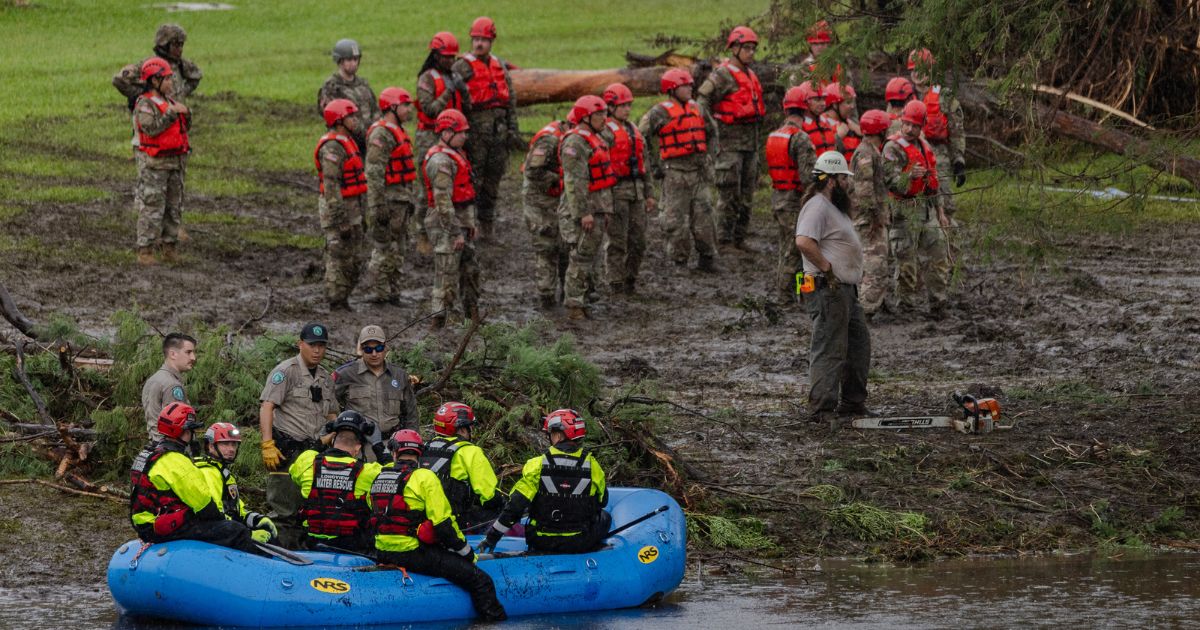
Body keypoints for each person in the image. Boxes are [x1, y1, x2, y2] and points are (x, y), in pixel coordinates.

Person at [369, 429, 507, 622]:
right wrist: (467, 553)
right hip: (413, 554)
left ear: (394, 453)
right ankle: (495, 624)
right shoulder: (424, 477)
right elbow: (443, 524)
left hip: (381, 552)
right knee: (481, 581)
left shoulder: (377, 476)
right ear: (419, 454)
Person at [793, 153, 872, 423]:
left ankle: (852, 403)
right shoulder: (817, 206)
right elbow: (804, 241)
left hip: (845, 291)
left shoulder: (833, 207)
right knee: (830, 348)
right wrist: (827, 268)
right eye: (843, 179)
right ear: (830, 181)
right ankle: (822, 410)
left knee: (858, 346)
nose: (847, 184)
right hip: (828, 289)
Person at [129, 403, 258, 553]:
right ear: (184, 431)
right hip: (160, 527)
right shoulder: (175, 460)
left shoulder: (149, 454)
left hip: (144, 524)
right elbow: (204, 506)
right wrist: (224, 523)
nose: (193, 434)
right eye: (191, 430)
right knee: (236, 531)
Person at [477, 409, 610, 555]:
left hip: (542, 541)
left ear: (558, 435)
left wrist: (492, 538)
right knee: (605, 516)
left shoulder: (536, 465)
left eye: (551, 434)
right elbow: (602, 501)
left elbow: (515, 506)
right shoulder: (593, 466)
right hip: (578, 541)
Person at [259, 322, 338, 547]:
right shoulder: (285, 371)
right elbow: (267, 406)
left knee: (312, 512)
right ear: (300, 344)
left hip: (315, 452)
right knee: (284, 511)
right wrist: (267, 444)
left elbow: (332, 413)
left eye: (322, 346)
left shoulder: (324, 377)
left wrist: (335, 440)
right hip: (288, 453)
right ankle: (277, 558)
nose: (317, 351)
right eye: (312, 345)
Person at [639, 68, 720, 272]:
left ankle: (707, 259)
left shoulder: (698, 109)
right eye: (685, 86)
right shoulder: (659, 113)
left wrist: (709, 157)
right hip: (674, 172)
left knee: (705, 217)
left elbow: (712, 132)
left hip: (698, 172)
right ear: (672, 89)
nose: (689, 89)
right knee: (675, 221)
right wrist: (654, 165)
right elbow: (641, 137)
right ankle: (679, 262)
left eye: (690, 85)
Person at [697, 26, 765, 249]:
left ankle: (740, 238)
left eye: (754, 49)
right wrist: (711, 127)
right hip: (728, 145)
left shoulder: (750, 74)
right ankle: (724, 241)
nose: (751, 53)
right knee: (729, 194)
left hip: (750, 144)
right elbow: (702, 100)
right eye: (747, 48)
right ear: (734, 48)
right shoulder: (722, 75)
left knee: (747, 195)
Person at [451, 17, 519, 239]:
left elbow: (510, 100)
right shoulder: (461, 67)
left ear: (492, 41)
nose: (479, 44)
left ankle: (487, 227)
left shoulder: (499, 65)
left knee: (493, 180)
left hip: (498, 133)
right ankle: (469, 227)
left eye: (484, 40)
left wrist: (512, 129)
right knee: (473, 180)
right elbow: (453, 99)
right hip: (474, 134)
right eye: (476, 39)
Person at [883, 100, 950, 319]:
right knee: (906, 263)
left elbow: (933, 181)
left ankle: (939, 303)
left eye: (915, 126)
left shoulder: (924, 145)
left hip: (926, 208)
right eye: (907, 125)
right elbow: (889, 181)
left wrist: (940, 211)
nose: (910, 129)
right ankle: (906, 307)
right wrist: (908, 176)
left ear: (922, 126)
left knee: (938, 256)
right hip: (903, 210)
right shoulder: (892, 147)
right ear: (902, 122)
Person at [559, 95, 617, 321]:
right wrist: (583, 213)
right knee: (580, 256)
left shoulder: (595, 138)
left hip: (598, 207)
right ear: (585, 117)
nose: (604, 118)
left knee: (590, 256)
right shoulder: (575, 143)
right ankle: (574, 304)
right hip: (583, 211)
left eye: (605, 113)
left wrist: (605, 210)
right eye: (599, 114)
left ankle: (581, 300)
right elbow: (575, 182)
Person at [422, 109, 481, 329]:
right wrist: (455, 231)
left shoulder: (456, 154)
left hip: (461, 220)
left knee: (470, 270)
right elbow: (443, 202)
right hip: (446, 224)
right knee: (446, 274)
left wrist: (469, 224)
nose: (465, 136)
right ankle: (438, 323)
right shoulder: (440, 161)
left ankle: (472, 316)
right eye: (460, 132)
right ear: (446, 133)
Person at [290, 411, 380, 552]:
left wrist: (320, 440)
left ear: (332, 441)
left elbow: (300, 464)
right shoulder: (367, 472)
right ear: (357, 448)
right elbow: (393, 477)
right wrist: (378, 445)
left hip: (311, 542)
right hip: (350, 546)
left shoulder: (308, 463)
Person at [131, 57, 191, 266]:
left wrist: (186, 114)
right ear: (154, 80)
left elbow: (184, 127)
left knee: (173, 207)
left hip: (175, 163)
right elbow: (151, 128)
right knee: (152, 206)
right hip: (155, 165)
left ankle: (169, 247)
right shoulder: (145, 104)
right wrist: (171, 115)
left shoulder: (171, 102)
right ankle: (145, 250)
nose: (170, 82)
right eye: (166, 79)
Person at [363, 87, 418, 305]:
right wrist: (377, 205)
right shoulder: (382, 134)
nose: (408, 110)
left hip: (401, 200)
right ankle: (380, 292)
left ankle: (393, 292)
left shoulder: (397, 131)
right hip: (388, 200)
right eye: (405, 106)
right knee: (384, 247)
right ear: (392, 108)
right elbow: (374, 172)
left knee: (399, 248)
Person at [599, 83, 655, 295]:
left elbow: (645, 164)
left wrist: (649, 194)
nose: (627, 110)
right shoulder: (604, 132)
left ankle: (631, 278)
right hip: (615, 192)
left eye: (629, 105)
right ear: (611, 107)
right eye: (622, 106)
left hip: (637, 191)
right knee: (617, 241)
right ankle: (615, 282)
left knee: (638, 240)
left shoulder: (634, 130)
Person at [333, 324, 419, 461]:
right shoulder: (346, 374)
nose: (374, 354)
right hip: (360, 448)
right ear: (361, 350)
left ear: (385, 348)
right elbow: (329, 406)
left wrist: (412, 445)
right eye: (368, 349)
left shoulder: (399, 375)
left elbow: (410, 413)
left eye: (378, 348)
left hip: (392, 447)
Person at [414, 32, 466, 256]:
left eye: (452, 57)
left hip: (452, 139)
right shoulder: (426, 79)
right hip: (429, 137)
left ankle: (450, 230)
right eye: (445, 57)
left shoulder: (454, 76)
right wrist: (448, 92)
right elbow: (430, 110)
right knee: (426, 190)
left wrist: (463, 90)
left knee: (451, 185)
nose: (450, 61)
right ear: (435, 56)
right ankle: (422, 235)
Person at [764, 87, 817, 301]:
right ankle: (792, 294)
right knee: (799, 251)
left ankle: (795, 293)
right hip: (795, 201)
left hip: (779, 198)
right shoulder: (801, 138)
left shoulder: (774, 135)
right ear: (805, 109)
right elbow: (808, 177)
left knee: (786, 247)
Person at [315, 99, 368, 311]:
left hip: (353, 207)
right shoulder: (332, 148)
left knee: (354, 255)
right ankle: (336, 300)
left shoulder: (348, 142)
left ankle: (344, 296)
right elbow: (331, 188)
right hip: (339, 210)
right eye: (351, 117)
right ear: (339, 121)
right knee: (338, 253)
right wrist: (341, 220)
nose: (355, 120)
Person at [419, 402, 504, 531]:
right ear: (463, 429)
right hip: (456, 521)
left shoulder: (424, 448)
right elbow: (488, 496)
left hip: (423, 519)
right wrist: (505, 503)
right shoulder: (470, 451)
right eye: (470, 427)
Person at [192, 422, 278, 543]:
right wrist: (248, 533)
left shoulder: (222, 471)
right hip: (216, 535)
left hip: (228, 530)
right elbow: (215, 515)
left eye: (234, 444)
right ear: (211, 446)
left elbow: (236, 509)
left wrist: (256, 519)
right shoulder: (208, 473)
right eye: (225, 444)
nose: (231, 449)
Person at [521, 112, 572, 308]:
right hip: (539, 200)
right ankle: (546, 295)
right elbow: (533, 172)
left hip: (557, 198)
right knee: (546, 246)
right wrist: (561, 178)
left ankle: (566, 292)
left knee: (566, 244)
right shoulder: (549, 140)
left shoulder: (571, 138)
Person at [908, 49, 967, 221]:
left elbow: (956, 130)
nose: (917, 73)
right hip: (910, 156)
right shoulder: (903, 94)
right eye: (913, 70)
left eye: (921, 69)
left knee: (945, 206)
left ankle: (949, 244)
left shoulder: (944, 96)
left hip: (938, 156)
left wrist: (959, 160)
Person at [849, 110, 897, 319]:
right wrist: (875, 217)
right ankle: (865, 310)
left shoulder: (869, 151)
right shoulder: (866, 154)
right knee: (874, 266)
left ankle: (876, 304)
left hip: (872, 219)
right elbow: (865, 191)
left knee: (879, 262)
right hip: (869, 221)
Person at [317, 38, 379, 151]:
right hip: (345, 145)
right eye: (349, 60)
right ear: (340, 61)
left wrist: (374, 133)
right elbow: (333, 117)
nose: (354, 63)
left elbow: (375, 110)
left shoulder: (363, 84)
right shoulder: (331, 87)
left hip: (368, 144)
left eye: (356, 59)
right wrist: (363, 134)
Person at [141, 332, 196, 440]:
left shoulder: (154, 379)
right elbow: (176, 424)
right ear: (173, 354)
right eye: (188, 352)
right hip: (171, 448)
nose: (193, 357)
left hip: (157, 446)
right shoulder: (172, 385)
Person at [797, 81, 838, 158]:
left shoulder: (827, 122)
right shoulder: (799, 126)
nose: (823, 103)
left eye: (824, 99)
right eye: (817, 99)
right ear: (805, 101)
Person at [823, 82, 861, 163]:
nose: (852, 106)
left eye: (852, 102)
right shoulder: (822, 124)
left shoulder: (851, 124)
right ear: (835, 105)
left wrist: (863, 135)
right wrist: (838, 137)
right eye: (848, 102)